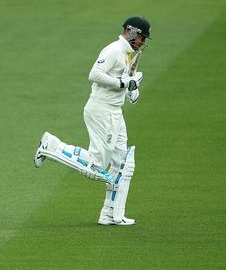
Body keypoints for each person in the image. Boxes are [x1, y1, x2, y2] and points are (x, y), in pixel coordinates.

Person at [34, 16, 151, 226]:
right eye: (141, 37)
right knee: (97, 166)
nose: (143, 42)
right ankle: (51, 146)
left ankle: (110, 214)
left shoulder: (127, 54)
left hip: (115, 112)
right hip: (101, 110)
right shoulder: (114, 50)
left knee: (123, 163)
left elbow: (124, 80)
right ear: (131, 32)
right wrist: (121, 83)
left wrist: (130, 90)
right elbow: (94, 74)